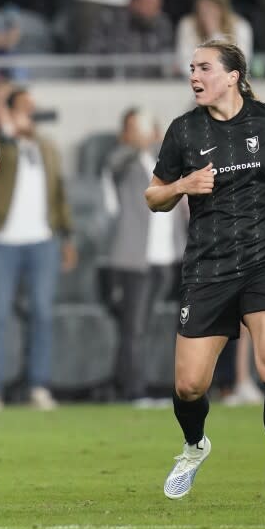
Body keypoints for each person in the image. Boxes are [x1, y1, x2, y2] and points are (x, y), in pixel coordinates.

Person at [145, 40, 265, 504]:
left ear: (233, 75)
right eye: (191, 68)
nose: (194, 76)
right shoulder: (183, 132)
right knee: (189, 385)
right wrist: (182, 186)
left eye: (204, 68)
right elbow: (152, 196)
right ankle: (195, 447)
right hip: (208, 265)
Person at [0, 83, 76, 412]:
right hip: (4, 243)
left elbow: (59, 194)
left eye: (32, 106)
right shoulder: (2, 144)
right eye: (23, 106)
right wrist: (4, 116)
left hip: (43, 241)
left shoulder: (48, 148)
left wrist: (67, 237)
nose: (31, 112)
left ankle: (38, 385)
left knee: (42, 314)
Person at [102, 107, 185, 405]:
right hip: (134, 259)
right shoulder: (122, 161)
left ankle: (133, 384)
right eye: (135, 129)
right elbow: (114, 167)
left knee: (146, 327)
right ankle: (134, 390)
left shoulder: (164, 162)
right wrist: (135, 144)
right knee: (134, 328)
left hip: (166, 257)